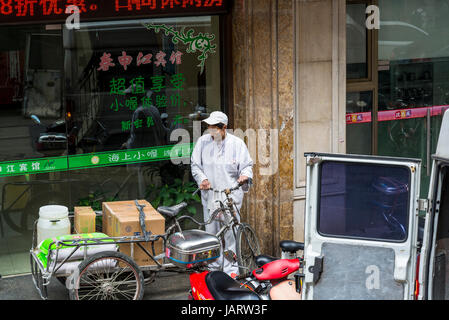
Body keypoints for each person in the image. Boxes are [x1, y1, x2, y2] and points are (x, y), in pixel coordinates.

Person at [190, 111, 253, 277]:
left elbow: (247, 166)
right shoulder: (203, 142)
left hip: (230, 195)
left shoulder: (237, 144)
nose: (210, 130)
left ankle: (231, 270)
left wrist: (244, 175)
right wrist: (202, 179)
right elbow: (195, 164)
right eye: (209, 127)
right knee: (212, 234)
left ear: (224, 128)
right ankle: (213, 268)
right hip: (211, 195)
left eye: (214, 127)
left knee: (231, 234)